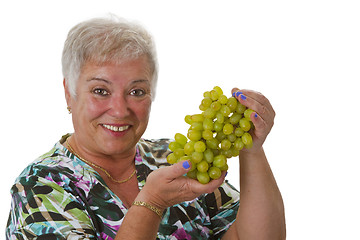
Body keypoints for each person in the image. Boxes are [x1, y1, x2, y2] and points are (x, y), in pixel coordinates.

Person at [6, 15, 286, 240]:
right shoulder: (41, 186)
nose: (119, 109)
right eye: (101, 91)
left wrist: (251, 148)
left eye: (137, 91)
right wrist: (151, 202)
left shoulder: (176, 161)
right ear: (69, 92)